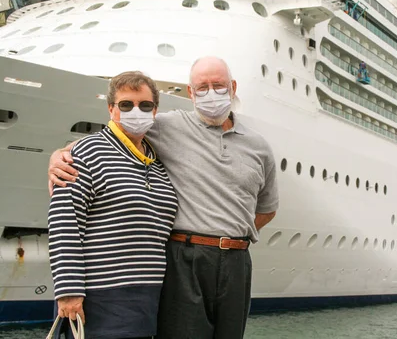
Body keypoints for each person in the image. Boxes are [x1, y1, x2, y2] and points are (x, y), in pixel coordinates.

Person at [49, 57, 279, 338]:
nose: (137, 112)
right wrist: (60, 153)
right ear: (191, 93)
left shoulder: (258, 146)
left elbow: (267, 208)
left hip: (225, 264)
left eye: (218, 85)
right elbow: (114, 135)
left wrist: (233, 234)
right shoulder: (165, 127)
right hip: (177, 262)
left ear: (232, 87)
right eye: (202, 87)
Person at [47, 71, 178, 339]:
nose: (136, 111)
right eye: (126, 104)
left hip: (147, 301)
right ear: (110, 108)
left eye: (145, 105)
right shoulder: (85, 153)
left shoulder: (157, 164)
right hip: (99, 301)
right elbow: (64, 222)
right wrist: (69, 292)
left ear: (155, 110)